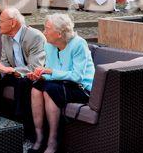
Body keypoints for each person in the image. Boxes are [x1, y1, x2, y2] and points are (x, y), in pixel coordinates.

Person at [27, 14, 94, 153]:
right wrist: (41, 76)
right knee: (36, 88)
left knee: (50, 90)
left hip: (82, 88)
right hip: (61, 83)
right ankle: (39, 138)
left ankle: (53, 142)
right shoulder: (49, 45)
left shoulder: (78, 44)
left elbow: (77, 76)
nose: (44, 32)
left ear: (59, 33)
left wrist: (50, 71)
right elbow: (52, 74)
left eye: (47, 29)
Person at [0, 8, 46, 136]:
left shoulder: (35, 37)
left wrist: (9, 69)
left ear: (12, 23)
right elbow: (5, 62)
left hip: (32, 77)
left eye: (1, 21)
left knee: (22, 82)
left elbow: (35, 68)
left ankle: (22, 130)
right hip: (14, 74)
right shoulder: (5, 37)